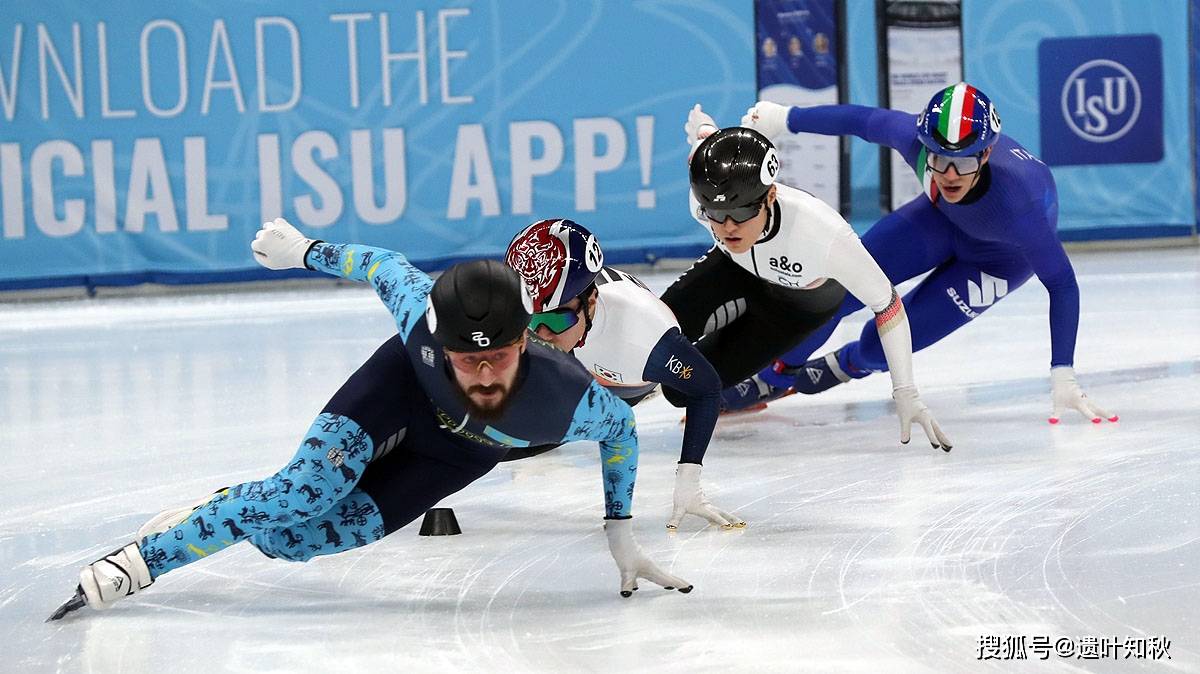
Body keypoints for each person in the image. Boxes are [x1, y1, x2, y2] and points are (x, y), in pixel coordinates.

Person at [49, 219, 691, 620]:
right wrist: (304, 250)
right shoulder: (419, 319)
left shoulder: (568, 396)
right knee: (302, 493)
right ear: (440, 343)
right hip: (398, 392)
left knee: (291, 539)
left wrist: (619, 531)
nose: (485, 375)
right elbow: (382, 265)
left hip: (455, 456)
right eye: (467, 360)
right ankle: (142, 561)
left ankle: (231, 507)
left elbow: (622, 433)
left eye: (498, 357)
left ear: (527, 342)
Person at [733, 83, 1116, 425]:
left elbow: (1062, 284)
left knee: (882, 344)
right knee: (835, 291)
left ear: (986, 154)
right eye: (938, 158)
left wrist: (1062, 370)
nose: (949, 174)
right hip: (938, 221)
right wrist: (785, 117)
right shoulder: (916, 142)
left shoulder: (1022, 205)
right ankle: (774, 377)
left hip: (999, 261)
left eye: (964, 162)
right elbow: (861, 120)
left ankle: (848, 364)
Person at [662, 108, 951, 450]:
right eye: (716, 213)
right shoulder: (706, 197)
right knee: (651, 328)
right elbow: (711, 150)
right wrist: (705, 133)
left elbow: (887, 305)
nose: (728, 227)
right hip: (733, 270)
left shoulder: (824, 236)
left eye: (740, 213)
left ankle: (767, 378)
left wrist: (906, 391)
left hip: (797, 307)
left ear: (770, 196)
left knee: (679, 389)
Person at [504, 218, 743, 530]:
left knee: (500, 441)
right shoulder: (525, 313)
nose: (543, 334)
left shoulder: (643, 334)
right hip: (579, 367)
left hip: (620, 377)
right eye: (531, 321)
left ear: (590, 301)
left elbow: (706, 387)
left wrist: (689, 483)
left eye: (557, 320)